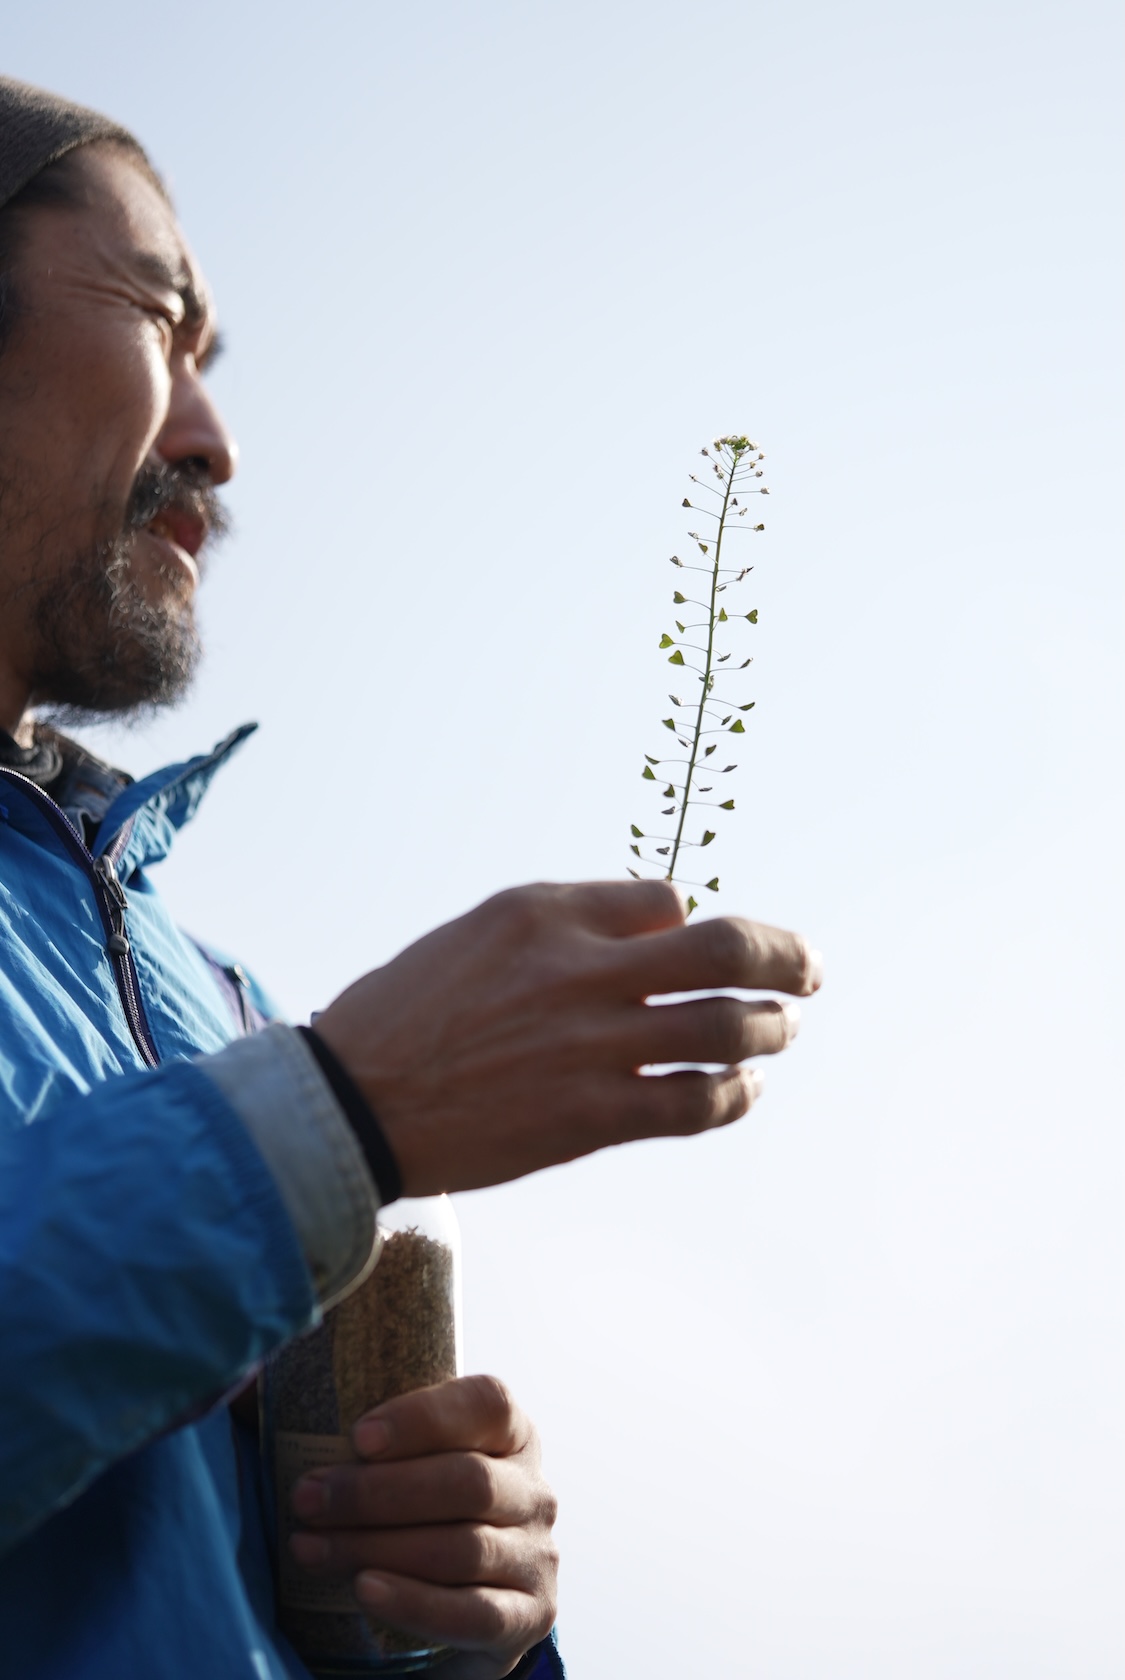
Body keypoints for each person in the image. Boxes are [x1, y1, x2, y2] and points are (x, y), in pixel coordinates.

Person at [0, 75, 822, 1680]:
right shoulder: (292, 1071)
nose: (216, 445)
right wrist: (331, 1118)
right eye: (163, 324)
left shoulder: (220, 998)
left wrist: (464, 1618)